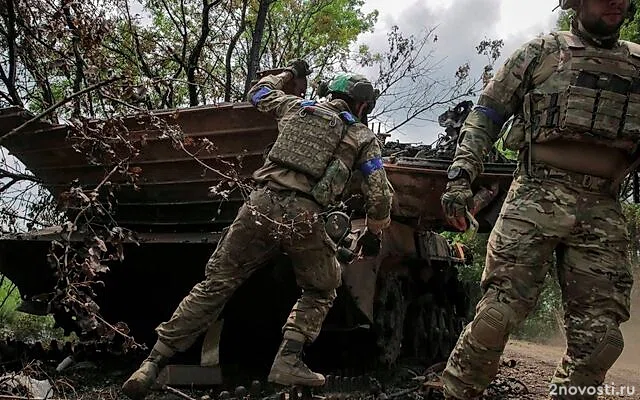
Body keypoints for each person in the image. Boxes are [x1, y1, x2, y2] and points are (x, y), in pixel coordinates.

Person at [121, 60, 394, 399]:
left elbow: (258, 92)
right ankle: (288, 358)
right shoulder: (361, 136)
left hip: (259, 206)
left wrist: (290, 74)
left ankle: (151, 363)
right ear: (363, 105)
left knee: (215, 285)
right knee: (322, 287)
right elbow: (380, 196)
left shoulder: (297, 107)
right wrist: (374, 230)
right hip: (303, 217)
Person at [439, 0, 636, 399]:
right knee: (496, 317)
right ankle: (458, 392)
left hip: (603, 207)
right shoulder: (541, 53)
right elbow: (487, 114)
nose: (617, 1)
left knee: (601, 341)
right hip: (535, 195)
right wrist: (461, 177)